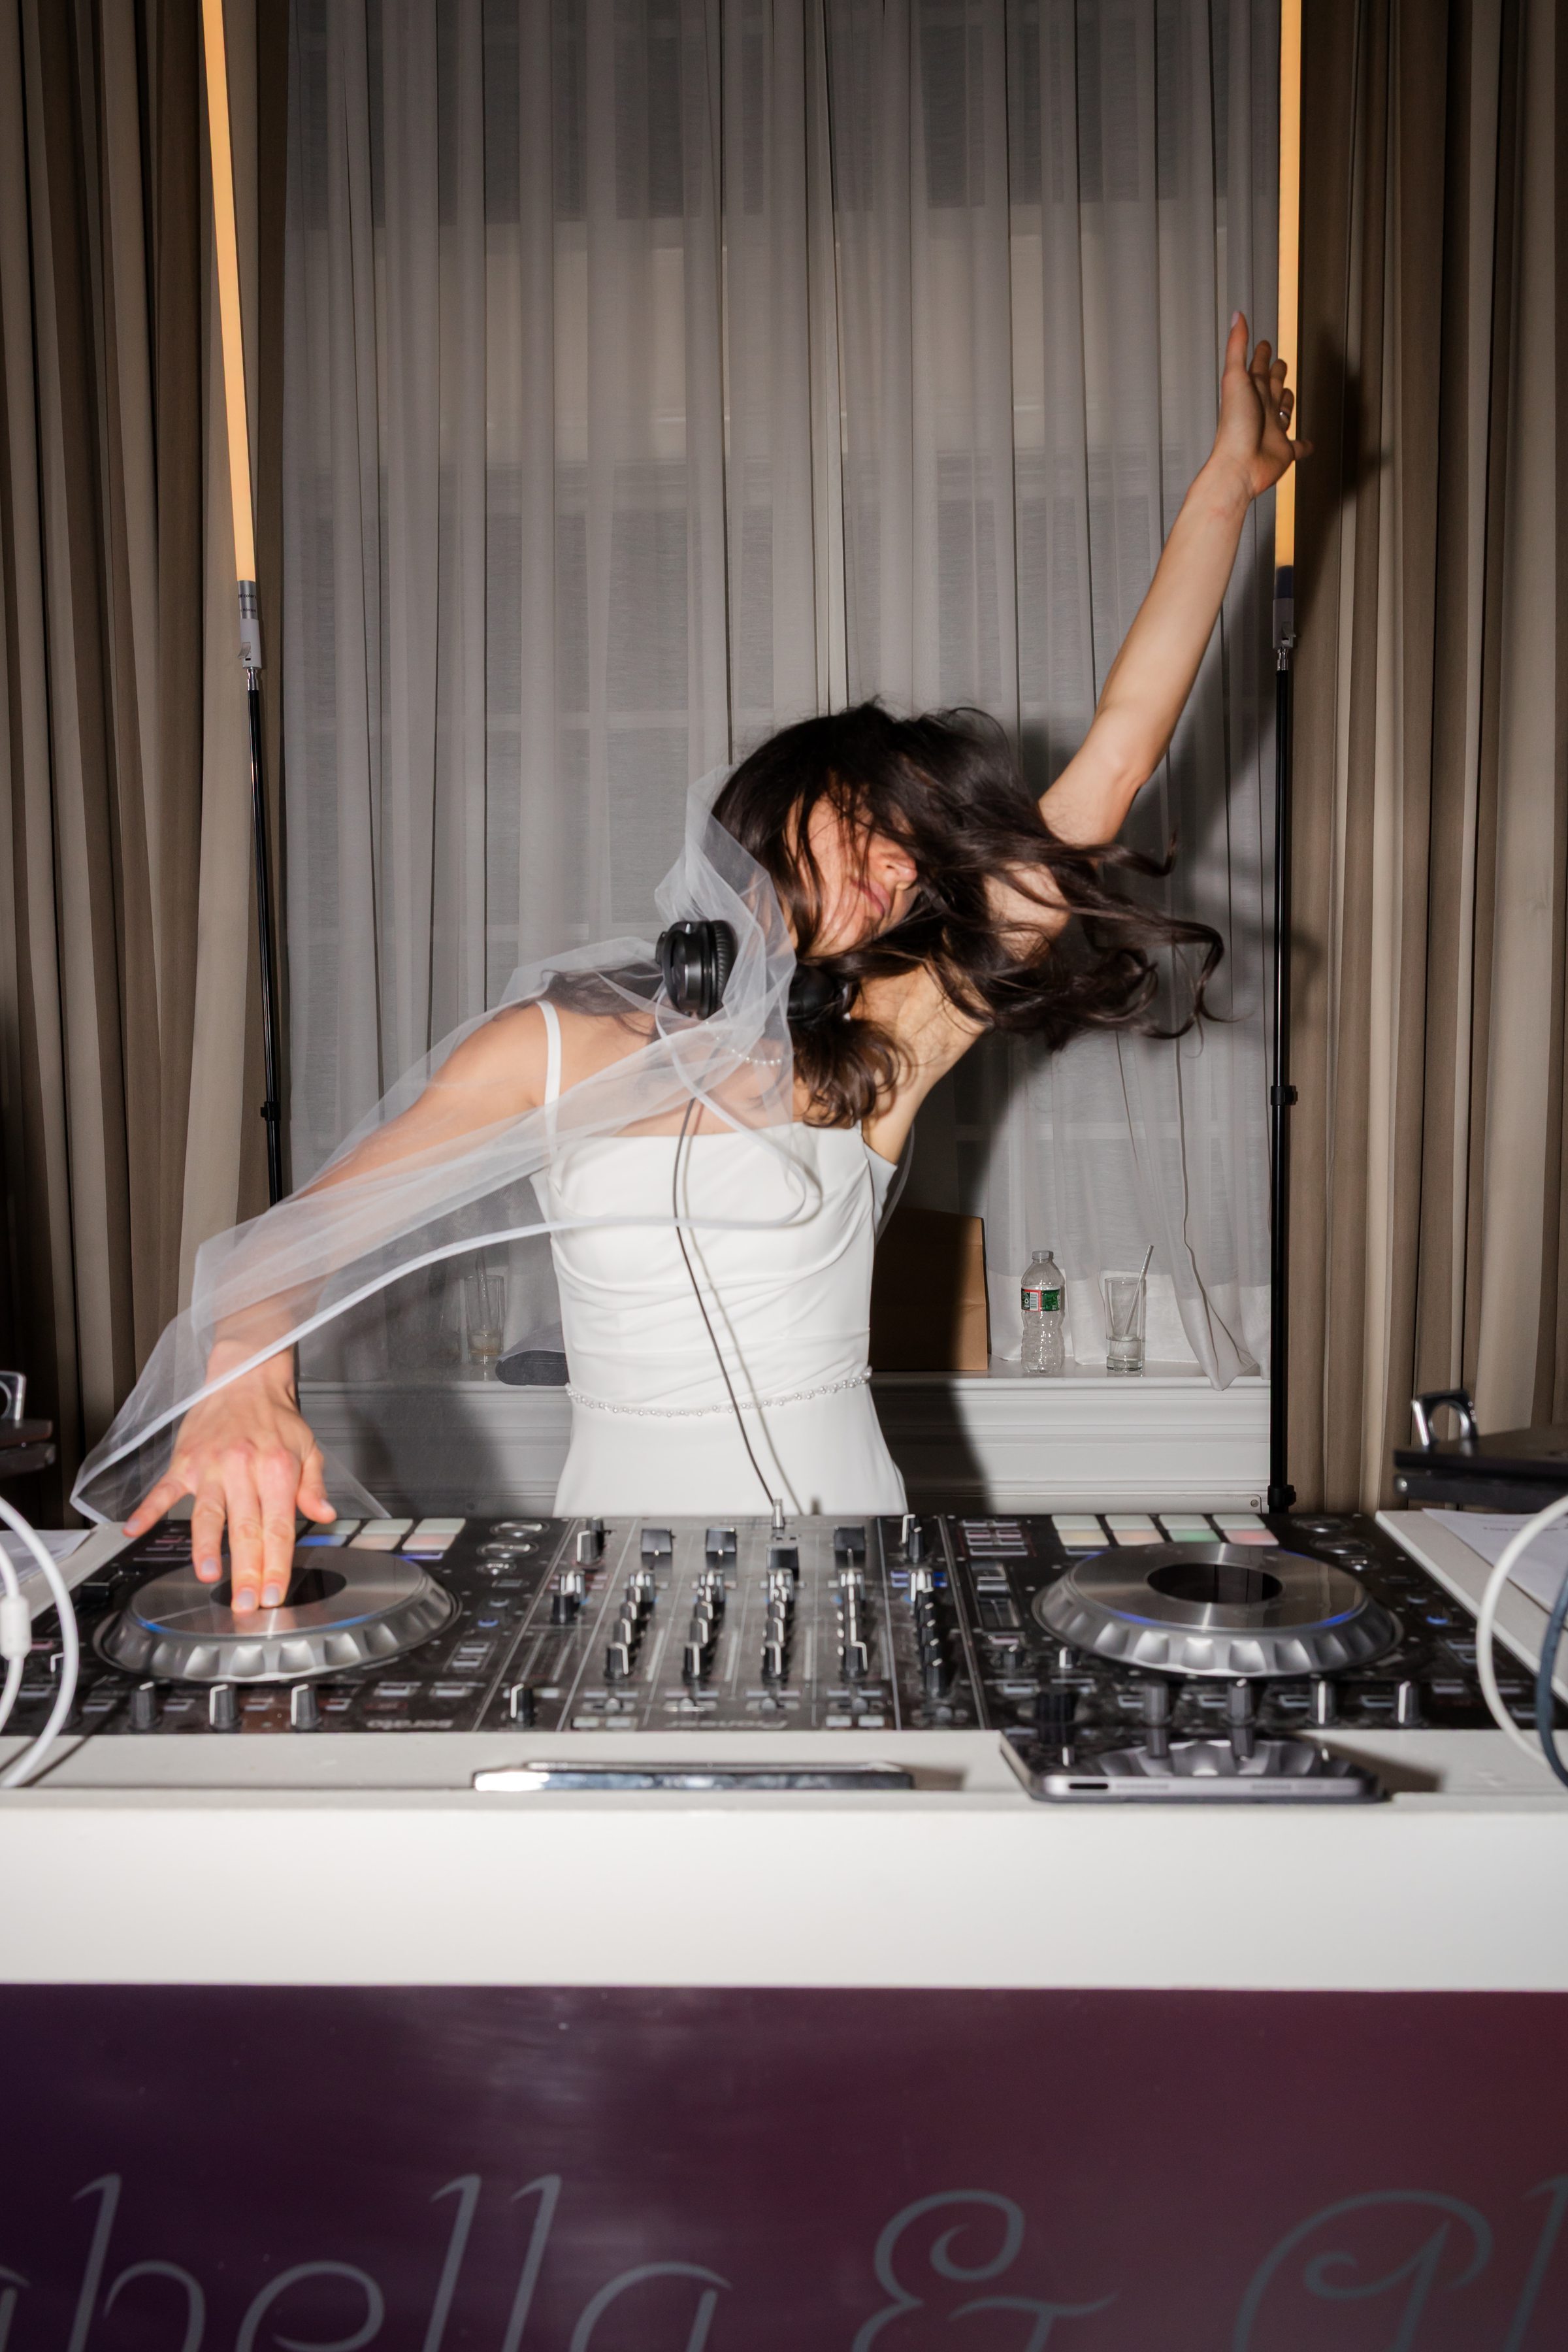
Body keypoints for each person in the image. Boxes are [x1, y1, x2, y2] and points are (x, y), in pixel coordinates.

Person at [114, 317, 1307, 1610]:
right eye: (873, 823)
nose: (895, 870)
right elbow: (295, 1238)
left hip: (857, 1571)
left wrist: (1220, 498)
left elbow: (1112, 770)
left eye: (915, 865)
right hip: (622, 1586)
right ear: (779, 800)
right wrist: (244, 1363)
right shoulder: (553, 1045)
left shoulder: (890, 1045)